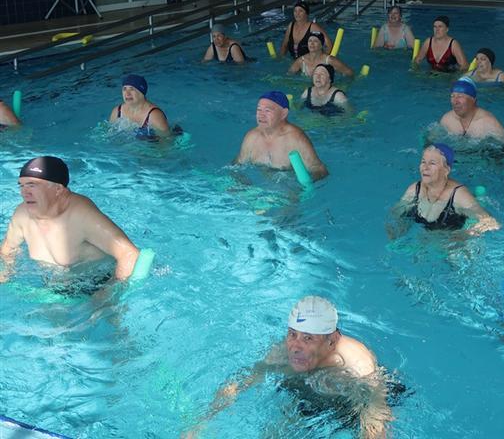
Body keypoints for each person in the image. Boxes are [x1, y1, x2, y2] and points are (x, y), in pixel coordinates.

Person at [183, 296, 392, 439]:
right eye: (292, 334)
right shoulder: (281, 353)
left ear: (332, 340)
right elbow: (240, 383)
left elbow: (377, 417)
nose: (295, 347)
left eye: (308, 338)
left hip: (347, 408)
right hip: (304, 397)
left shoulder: (358, 366)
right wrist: (200, 423)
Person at [0, 157, 140, 283]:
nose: (24, 192)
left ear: (58, 189)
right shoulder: (22, 214)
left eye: (32, 185)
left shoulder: (82, 215)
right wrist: (5, 275)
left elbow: (129, 254)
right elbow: (8, 249)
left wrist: (112, 293)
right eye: (22, 185)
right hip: (53, 285)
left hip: (97, 284)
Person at [398, 143, 500, 234]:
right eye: (423, 162)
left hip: (453, 237)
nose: (425, 167)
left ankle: (479, 197)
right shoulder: (414, 190)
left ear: (446, 170)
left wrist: (465, 235)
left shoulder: (458, 195)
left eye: (432, 163)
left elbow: (491, 223)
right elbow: (396, 215)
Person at [236, 91, 328, 180]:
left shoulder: (295, 139)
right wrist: (240, 182)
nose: (261, 115)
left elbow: (319, 170)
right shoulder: (252, 137)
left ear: (283, 113)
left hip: (287, 187)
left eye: (267, 111)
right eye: (259, 109)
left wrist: (301, 187)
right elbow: (237, 165)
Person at [439, 79, 504, 145]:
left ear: (473, 100)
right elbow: (431, 144)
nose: (455, 101)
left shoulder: (488, 122)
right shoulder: (447, 119)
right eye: (452, 96)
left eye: (460, 96)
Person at [108, 74, 172, 138]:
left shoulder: (154, 115)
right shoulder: (117, 112)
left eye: (132, 89)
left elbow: (166, 142)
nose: (127, 93)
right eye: (124, 89)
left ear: (142, 92)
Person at [288, 30, 353, 78]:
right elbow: (288, 76)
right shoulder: (301, 61)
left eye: (315, 41)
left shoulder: (330, 60)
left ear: (321, 45)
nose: (312, 43)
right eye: (310, 41)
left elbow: (350, 73)